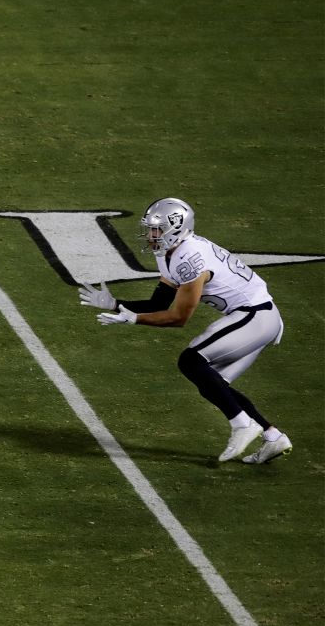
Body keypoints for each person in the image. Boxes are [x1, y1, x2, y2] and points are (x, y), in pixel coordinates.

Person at [80, 197, 290, 464]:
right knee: (213, 383)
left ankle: (243, 425)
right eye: (150, 228)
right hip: (255, 315)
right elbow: (159, 303)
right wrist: (115, 303)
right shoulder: (171, 253)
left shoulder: (189, 256)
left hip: (256, 315)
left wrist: (134, 320)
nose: (150, 234)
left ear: (176, 228)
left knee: (191, 361)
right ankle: (273, 437)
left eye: (157, 229)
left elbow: (179, 317)